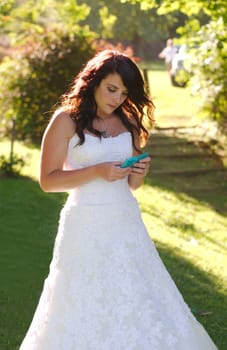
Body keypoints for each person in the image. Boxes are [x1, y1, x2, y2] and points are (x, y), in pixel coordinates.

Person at [19, 49, 217, 349]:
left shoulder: (129, 123)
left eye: (124, 93)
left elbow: (133, 185)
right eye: (112, 89)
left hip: (125, 219)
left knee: (136, 290)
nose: (117, 99)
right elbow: (48, 181)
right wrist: (97, 171)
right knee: (81, 293)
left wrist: (140, 170)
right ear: (93, 82)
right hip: (84, 222)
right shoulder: (66, 121)